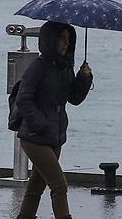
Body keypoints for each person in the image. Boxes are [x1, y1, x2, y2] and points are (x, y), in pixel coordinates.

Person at [15, 21, 93, 219]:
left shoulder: (64, 68)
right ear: (50, 41)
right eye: (62, 39)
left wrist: (85, 78)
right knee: (59, 186)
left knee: (35, 188)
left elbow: (74, 99)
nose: (66, 44)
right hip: (34, 137)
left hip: (55, 137)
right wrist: (40, 124)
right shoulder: (38, 67)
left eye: (69, 40)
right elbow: (23, 100)